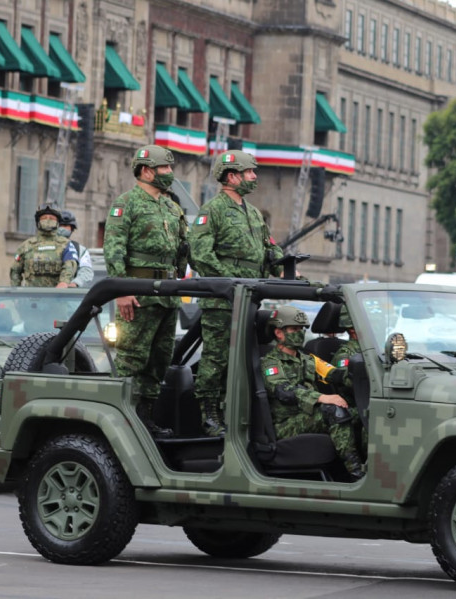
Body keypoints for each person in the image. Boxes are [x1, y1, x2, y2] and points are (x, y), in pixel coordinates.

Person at [189, 150, 284, 436]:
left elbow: (269, 247)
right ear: (232, 177)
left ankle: (235, 412)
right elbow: (201, 254)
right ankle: (209, 415)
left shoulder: (253, 212)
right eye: (249, 172)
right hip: (222, 300)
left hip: (249, 299)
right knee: (216, 360)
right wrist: (228, 284)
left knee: (242, 360)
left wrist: (282, 265)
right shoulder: (213, 210)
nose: (254, 177)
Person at [104, 145, 189, 437]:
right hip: (137, 294)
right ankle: (122, 424)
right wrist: (122, 290)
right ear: (146, 170)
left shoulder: (171, 206)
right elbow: (114, 248)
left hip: (167, 294)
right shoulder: (126, 203)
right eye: (164, 168)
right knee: (131, 360)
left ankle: (145, 420)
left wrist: (180, 277)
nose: (169, 174)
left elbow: (182, 248)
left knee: (159, 361)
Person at [261, 306, 364, 480]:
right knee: (334, 410)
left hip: (308, 417)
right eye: (294, 329)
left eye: (301, 329)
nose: (299, 333)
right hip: (285, 424)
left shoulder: (308, 359)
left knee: (362, 414)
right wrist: (322, 397)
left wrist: (361, 373)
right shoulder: (270, 362)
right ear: (279, 333)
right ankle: (356, 473)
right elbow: (284, 392)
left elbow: (335, 374)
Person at [10, 205, 78, 288]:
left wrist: (63, 283)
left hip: (57, 297)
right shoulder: (26, 246)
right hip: (30, 298)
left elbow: (69, 266)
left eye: (52, 218)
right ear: (38, 222)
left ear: (57, 223)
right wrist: (16, 294)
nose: (48, 220)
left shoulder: (66, 245)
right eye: (44, 218)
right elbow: (15, 271)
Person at [58, 210, 94, 288]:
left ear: (72, 229)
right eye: (60, 225)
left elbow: (86, 271)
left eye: (65, 226)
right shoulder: (39, 245)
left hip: (69, 295)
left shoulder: (80, 250)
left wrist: (75, 283)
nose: (62, 228)